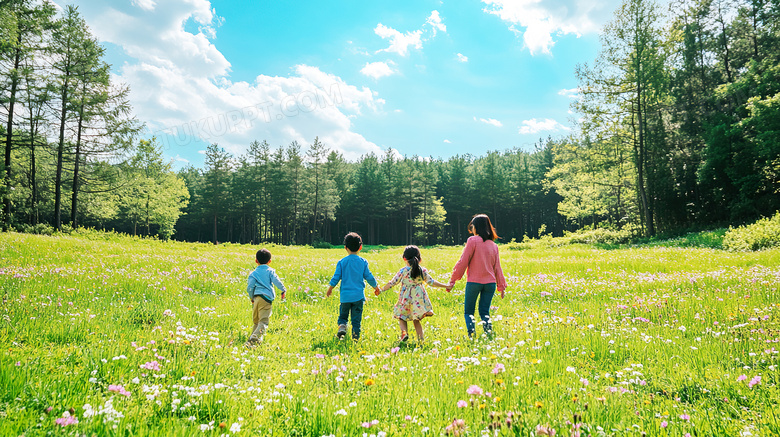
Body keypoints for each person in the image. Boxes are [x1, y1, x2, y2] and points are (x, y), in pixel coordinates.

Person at [447, 214, 507, 338]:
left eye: (472, 226)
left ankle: (471, 333)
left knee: (469, 311)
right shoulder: (493, 245)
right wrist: (501, 287)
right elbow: (497, 268)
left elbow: (463, 261)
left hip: (474, 282)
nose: (472, 229)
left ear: (476, 227)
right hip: (490, 284)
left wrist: (453, 280)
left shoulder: (473, 240)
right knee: (485, 311)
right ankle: (488, 332)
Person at [378, 245, 448, 343]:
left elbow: (392, 283)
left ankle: (404, 334)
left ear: (404, 258)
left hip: (405, 299)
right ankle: (421, 340)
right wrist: (446, 286)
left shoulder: (403, 271)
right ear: (419, 259)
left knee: (402, 317)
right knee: (416, 320)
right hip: (417, 300)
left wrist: (381, 290)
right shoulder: (421, 270)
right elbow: (431, 282)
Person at [326, 232, 380, 340]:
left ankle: (342, 326)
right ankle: (355, 337)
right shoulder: (363, 262)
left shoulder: (342, 262)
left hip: (345, 297)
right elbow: (369, 276)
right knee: (356, 319)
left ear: (345, 247)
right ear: (360, 247)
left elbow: (336, 277)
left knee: (343, 316)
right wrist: (376, 287)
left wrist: (330, 289)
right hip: (358, 297)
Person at [245, 248, 286, 347]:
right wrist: (283, 289)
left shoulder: (253, 274)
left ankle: (253, 339)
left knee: (256, 320)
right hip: (266, 299)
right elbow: (277, 282)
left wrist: (251, 297)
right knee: (263, 321)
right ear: (269, 261)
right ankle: (254, 339)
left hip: (256, 298)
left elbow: (250, 287)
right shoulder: (270, 272)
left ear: (256, 260)